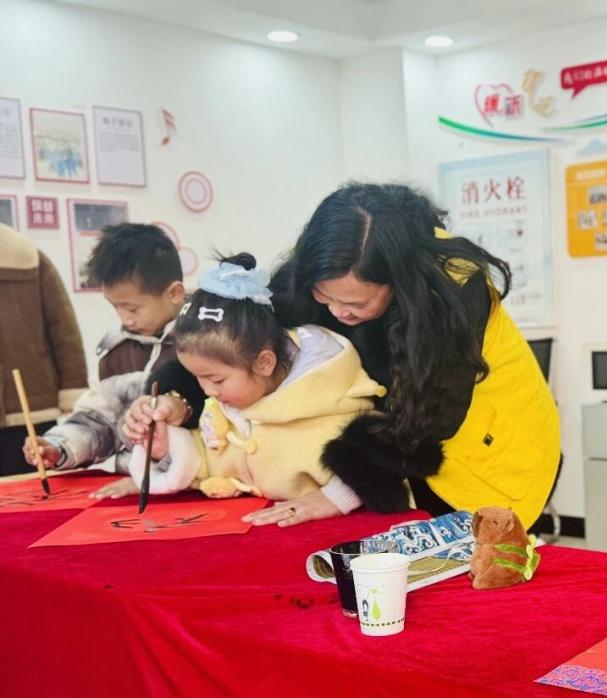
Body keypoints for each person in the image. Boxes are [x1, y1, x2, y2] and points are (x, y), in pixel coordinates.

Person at [126, 185, 561, 528]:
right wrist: (175, 399)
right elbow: (236, 344)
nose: (338, 312)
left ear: (397, 283)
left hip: (486, 449)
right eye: (325, 297)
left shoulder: (452, 292)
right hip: (397, 446)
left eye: (357, 303)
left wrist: (341, 492)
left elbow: (430, 418)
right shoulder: (311, 274)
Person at [128, 256, 385, 503]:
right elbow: (211, 460)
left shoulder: (331, 403)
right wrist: (165, 446)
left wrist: (339, 498)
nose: (207, 391)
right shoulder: (228, 404)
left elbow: (373, 472)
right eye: (197, 378)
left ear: (264, 363)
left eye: (216, 379)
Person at [24, 223, 184, 497]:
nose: (125, 319)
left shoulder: (204, 345)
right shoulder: (115, 351)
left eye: (132, 308)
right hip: (128, 484)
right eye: (115, 307)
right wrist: (59, 446)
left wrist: (155, 477)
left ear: (174, 293)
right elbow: (98, 421)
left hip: (192, 481)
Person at [0, 223, 87, 476]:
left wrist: (72, 389)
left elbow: (63, 329)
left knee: (32, 487)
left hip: (28, 404)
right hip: (28, 400)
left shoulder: (25, 257)